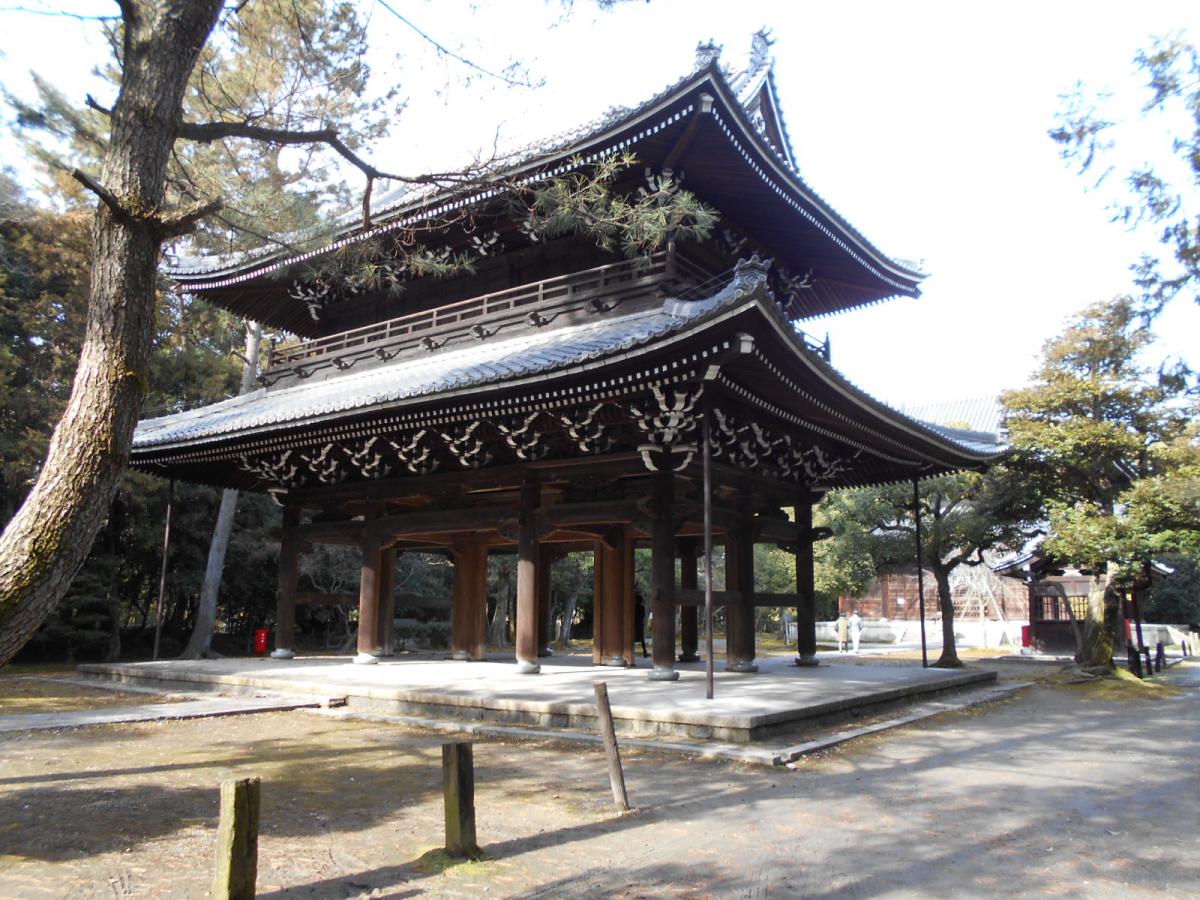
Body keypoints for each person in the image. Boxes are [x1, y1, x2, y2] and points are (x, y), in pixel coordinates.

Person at [634, 592, 649, 659]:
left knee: (632, 637)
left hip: (634, 622)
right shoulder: (642, 607)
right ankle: (644, 651)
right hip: (640, 623)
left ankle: (631, 651)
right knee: (641, 638)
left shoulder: (633, 607)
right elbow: (643, 616)